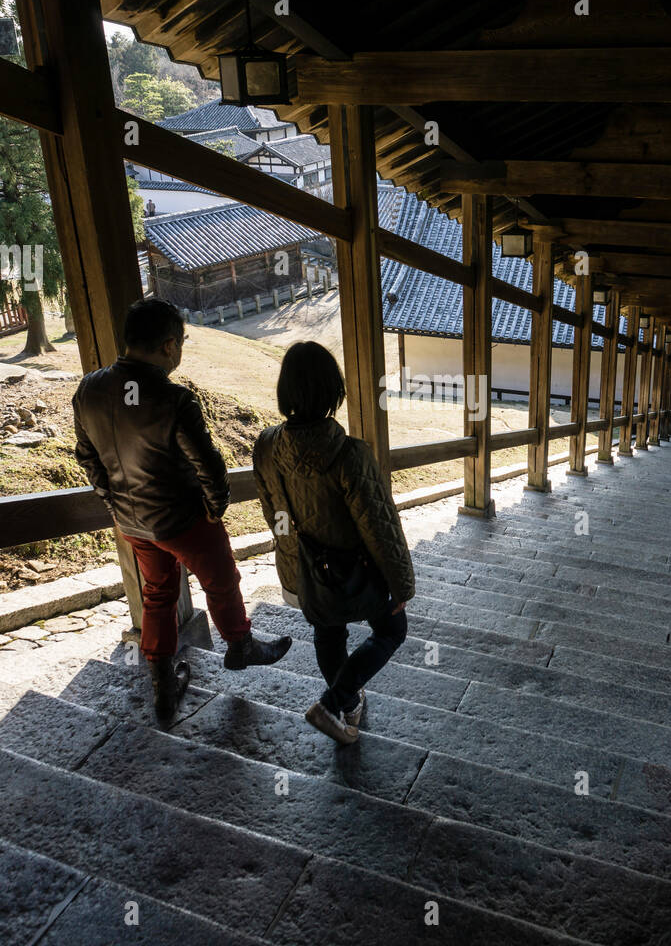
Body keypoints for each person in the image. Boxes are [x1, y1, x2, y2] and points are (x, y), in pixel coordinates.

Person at [72, 299, 291, 721]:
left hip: (133, 523)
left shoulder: (89, 389)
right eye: (182, 342)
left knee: (157, 595)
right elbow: (208, 464)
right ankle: (240, 646)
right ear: (169, 345)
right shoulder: (173, 399)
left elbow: (87, 456)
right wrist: (216, 507)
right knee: (222, 580)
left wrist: (112, 501)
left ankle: (162, 684)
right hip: (184, 520)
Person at [253, 341, 415, 746]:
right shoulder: (350, 454)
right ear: (333, 391)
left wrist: (294, 564)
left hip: (306, 567)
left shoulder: (267, 447)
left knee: (327, 633)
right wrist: (401, 584)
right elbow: (379, 526)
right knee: (392, 629)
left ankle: (348, 704)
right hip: (353, 570)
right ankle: (335, 701)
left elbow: (273, 513)